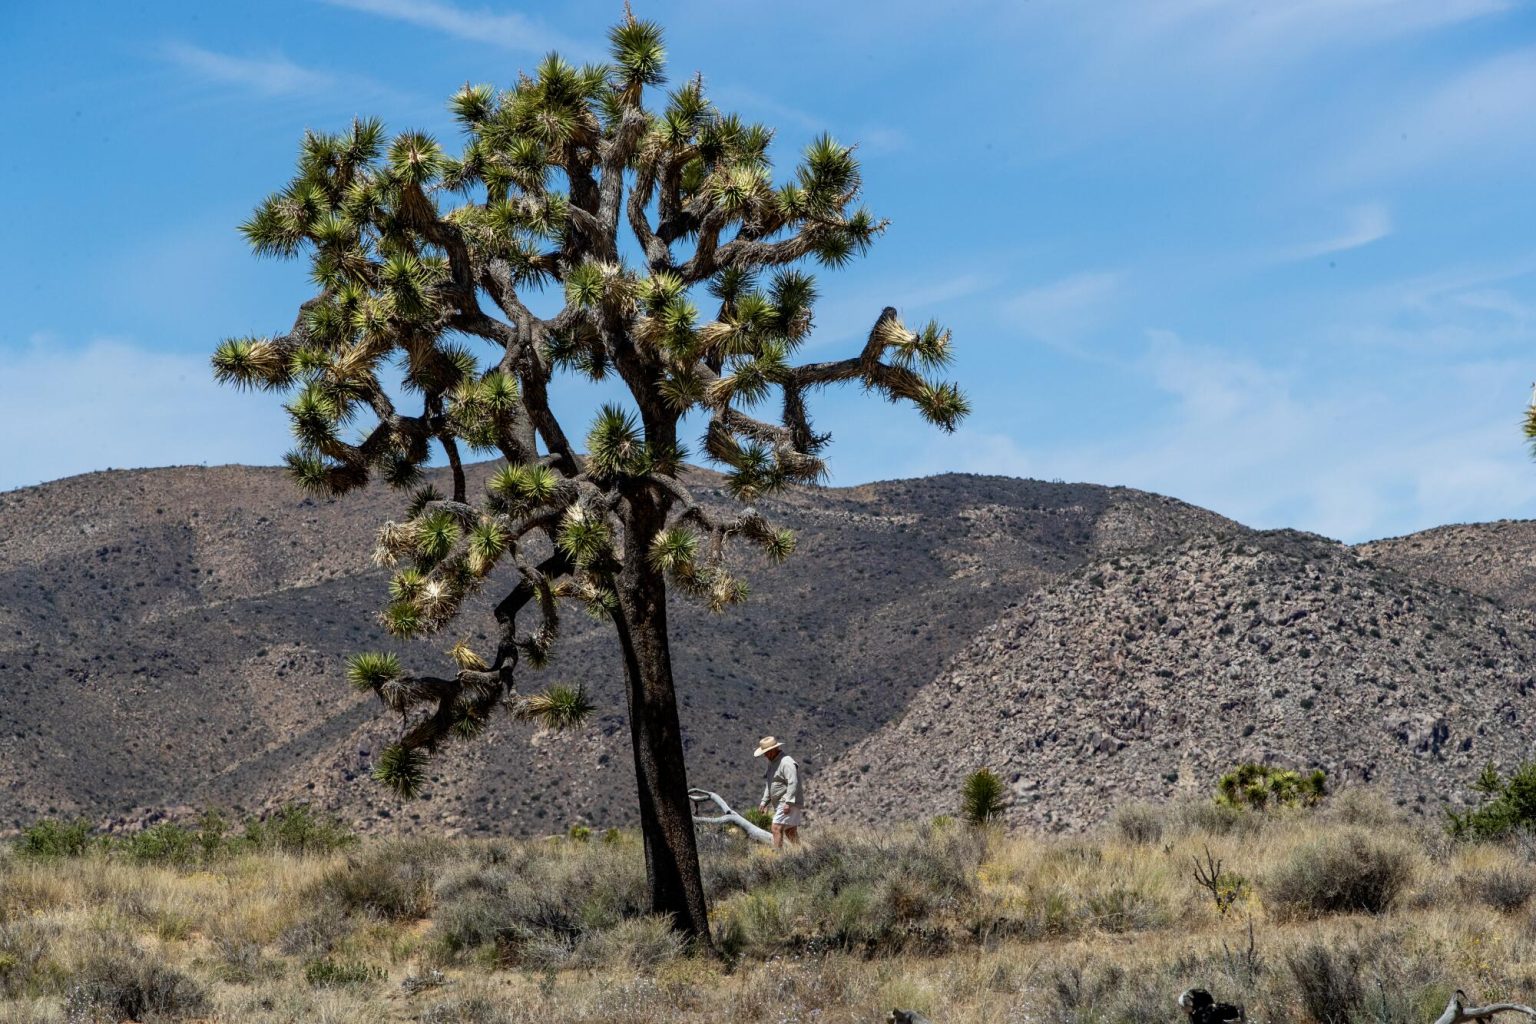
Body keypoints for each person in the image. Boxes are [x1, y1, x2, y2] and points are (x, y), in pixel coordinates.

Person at [754, 735, 802, 848]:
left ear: (773, 749)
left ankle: (777, 858)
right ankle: (802, 853)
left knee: (776, 828)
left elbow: (793, 782)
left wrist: (788, 802)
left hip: (787, 802)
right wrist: (764, 802)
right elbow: (770, 783)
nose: (765, 755)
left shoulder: (786, 762)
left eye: (766, 752)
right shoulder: (772, 763)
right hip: (783, 803)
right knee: (790, 831)